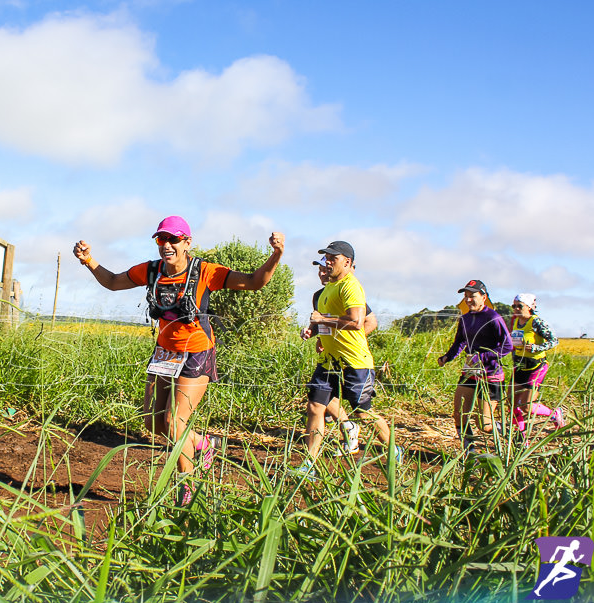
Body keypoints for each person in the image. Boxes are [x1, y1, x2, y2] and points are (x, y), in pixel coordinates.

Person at [73, 216, 284, 504]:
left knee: (174, 422)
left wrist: (275, 256)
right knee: (152, 423)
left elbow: (252, 282)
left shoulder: (206, 271)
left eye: (174, 239)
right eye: (162, 239)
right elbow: (112, 282)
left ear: (187, 242)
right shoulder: (151, 271)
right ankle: (203, 443)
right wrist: (89, 261)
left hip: (197, 352)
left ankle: (187, 487)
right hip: (164, 353)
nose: (167, 245)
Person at [295, 241, 400, 479]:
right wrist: (312, 330)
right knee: (315, 407)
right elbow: (324, 319)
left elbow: (356, 321)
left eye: (333, 257)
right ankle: (309, 464)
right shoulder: (326, 290)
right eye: (326, 257)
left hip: (355, 363)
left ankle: (393, 449)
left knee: (363, 413)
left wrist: (323, 319)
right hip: (329, 362)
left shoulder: (351, 286)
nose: (328, 261)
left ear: (348, 262)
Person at [438, 280, 514, 454]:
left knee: (485, 425)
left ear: (483, 297)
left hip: (491, 374)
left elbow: (507, 345)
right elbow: (460, 342)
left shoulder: (493, 318)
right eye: (466, 296)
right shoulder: (464, 319)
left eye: (472, 296)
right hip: (470, 372)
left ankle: (510, 435)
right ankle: (469, 452)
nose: (468, 300)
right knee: (459, 414)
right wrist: (447, 357)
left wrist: (484, 356)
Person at [508, 293, 564, 434]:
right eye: (513, 306)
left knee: (526, 406)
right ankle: (520, 436)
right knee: (511, 402)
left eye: (519, 306)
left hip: (536, 366)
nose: (516, 309)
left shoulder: (536, 322)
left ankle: (554, 414)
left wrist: (536, 348)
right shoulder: (515, 322)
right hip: (520, 366)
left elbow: (554, 340)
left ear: (529, 307)